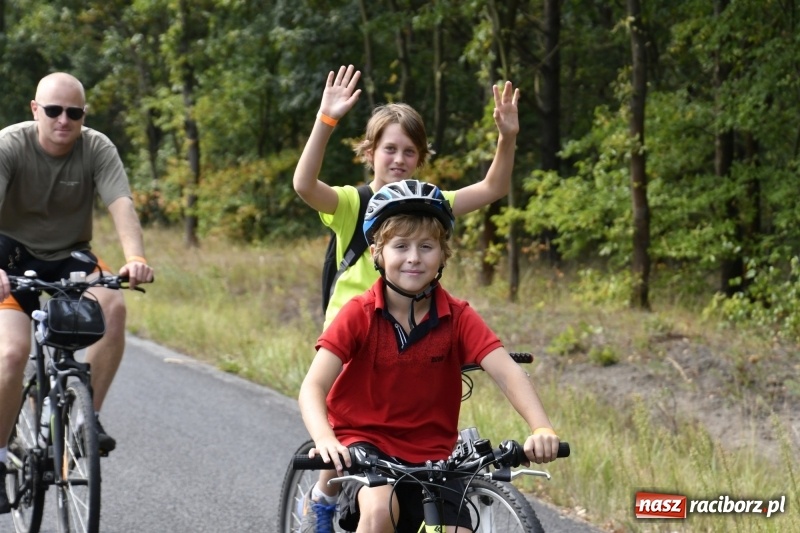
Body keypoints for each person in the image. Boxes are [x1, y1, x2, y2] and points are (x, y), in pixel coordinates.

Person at [298, 180, 561, 533]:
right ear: (377, 252)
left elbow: (507, 372)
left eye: (426, 246)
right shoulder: (358, 313)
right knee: (379, 511)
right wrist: (325, 439)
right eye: (400, 246)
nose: (413, 258)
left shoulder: (458, 316)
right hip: (367, 445)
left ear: (443, 254)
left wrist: (541, 427)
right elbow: (313, 386)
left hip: (435, 456)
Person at [0, 72, 155, 514]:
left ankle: (85, 420)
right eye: (53, 111)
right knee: (11, 354)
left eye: (75, 112)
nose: (64, 120)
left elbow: (121, 204)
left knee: (113, 305)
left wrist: (135, 258)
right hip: (9, 256)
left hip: (70, 254)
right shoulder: (10, 145)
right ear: (35, 110)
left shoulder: (97, 147)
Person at [293, 64, 521, 330]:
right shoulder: (353, 203)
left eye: (409, 152)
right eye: (390, 149)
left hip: (403, 339)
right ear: (370, 153)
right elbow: (304, 185)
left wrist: (507, 137)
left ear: (420, 158)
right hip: (348, 339)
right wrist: (326, 120)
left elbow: (494, 188)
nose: (399, 159)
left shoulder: (429, 204)